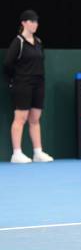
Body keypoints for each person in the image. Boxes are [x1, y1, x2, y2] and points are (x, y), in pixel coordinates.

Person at [3, 10, 54, 164]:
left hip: (39, 84)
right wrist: (16, 79)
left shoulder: (38, 42)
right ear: (24, 23)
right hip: (22, 84)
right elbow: (7, 64)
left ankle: (38, 152)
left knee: (35, 118)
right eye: (32, 21)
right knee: (21, 118)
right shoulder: (18, 41)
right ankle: (16, 154)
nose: (35, 24)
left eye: (36, 21)